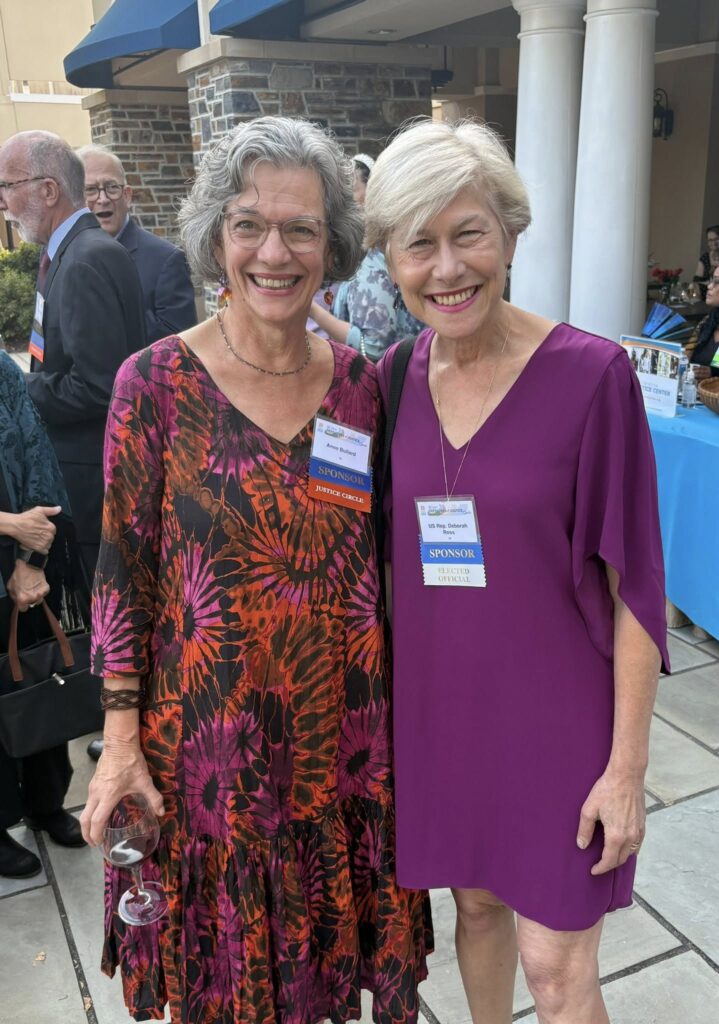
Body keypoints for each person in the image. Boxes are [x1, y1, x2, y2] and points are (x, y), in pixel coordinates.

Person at [80, 116, 432, 1024]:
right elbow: (121, 576)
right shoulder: (153, 384)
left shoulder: (362, 387)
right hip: (211, 759)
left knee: (321, 993)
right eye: (249, 225)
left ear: (333, 245)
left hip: (341, 748)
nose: (274, 253)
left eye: (300, 229)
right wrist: (119, 744)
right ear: (215, 236)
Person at [367, 119, 668, 1024]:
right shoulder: (389, 380)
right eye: (418, 243)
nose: (446, 268)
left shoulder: (591, 377)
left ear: (508, 235)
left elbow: (635, 590)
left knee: (557, 968)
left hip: (558, 722)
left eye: (468, 234)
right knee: (476, 911)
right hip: (441, 716)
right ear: (388, 259)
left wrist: (625, 768)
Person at [0, 131, 146, 581]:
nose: (3, 202)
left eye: (8, 186)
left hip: (93, 483)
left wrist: (19, 390)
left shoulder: (85, 259)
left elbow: (101, 387)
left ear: (48, 190)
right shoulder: (69, 252)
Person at [0, 351, 87, 875]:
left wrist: (30, 561)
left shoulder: (2, 370)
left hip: (24, 563)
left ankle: (47, 803)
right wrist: (7, 523)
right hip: (11, 534)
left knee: (38, 678)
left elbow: (39, 459)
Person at [79, 144, 197, 345]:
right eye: (90, 190)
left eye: (112, 187)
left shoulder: (166, 260)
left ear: (127, 195)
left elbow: (180, 345)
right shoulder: (63, 254)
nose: (103, 199)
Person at [310, 154, 424, 362]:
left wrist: (312, 311)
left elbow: (372, 348)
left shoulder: (373, 259)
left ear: (372, 194)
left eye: (351, 189)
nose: (343, 200)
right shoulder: (364, 253)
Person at [685, 248, 719, 379]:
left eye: (717, 282)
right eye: (711, 280)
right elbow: (685, 360)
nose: (709, 286)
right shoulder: (707, 322)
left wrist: (713, 374)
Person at [693, 224, 719, 298]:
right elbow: (696, 281)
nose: (714, 243)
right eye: (710, 240)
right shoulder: (705, 257)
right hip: (705, 298)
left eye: (716, 239)